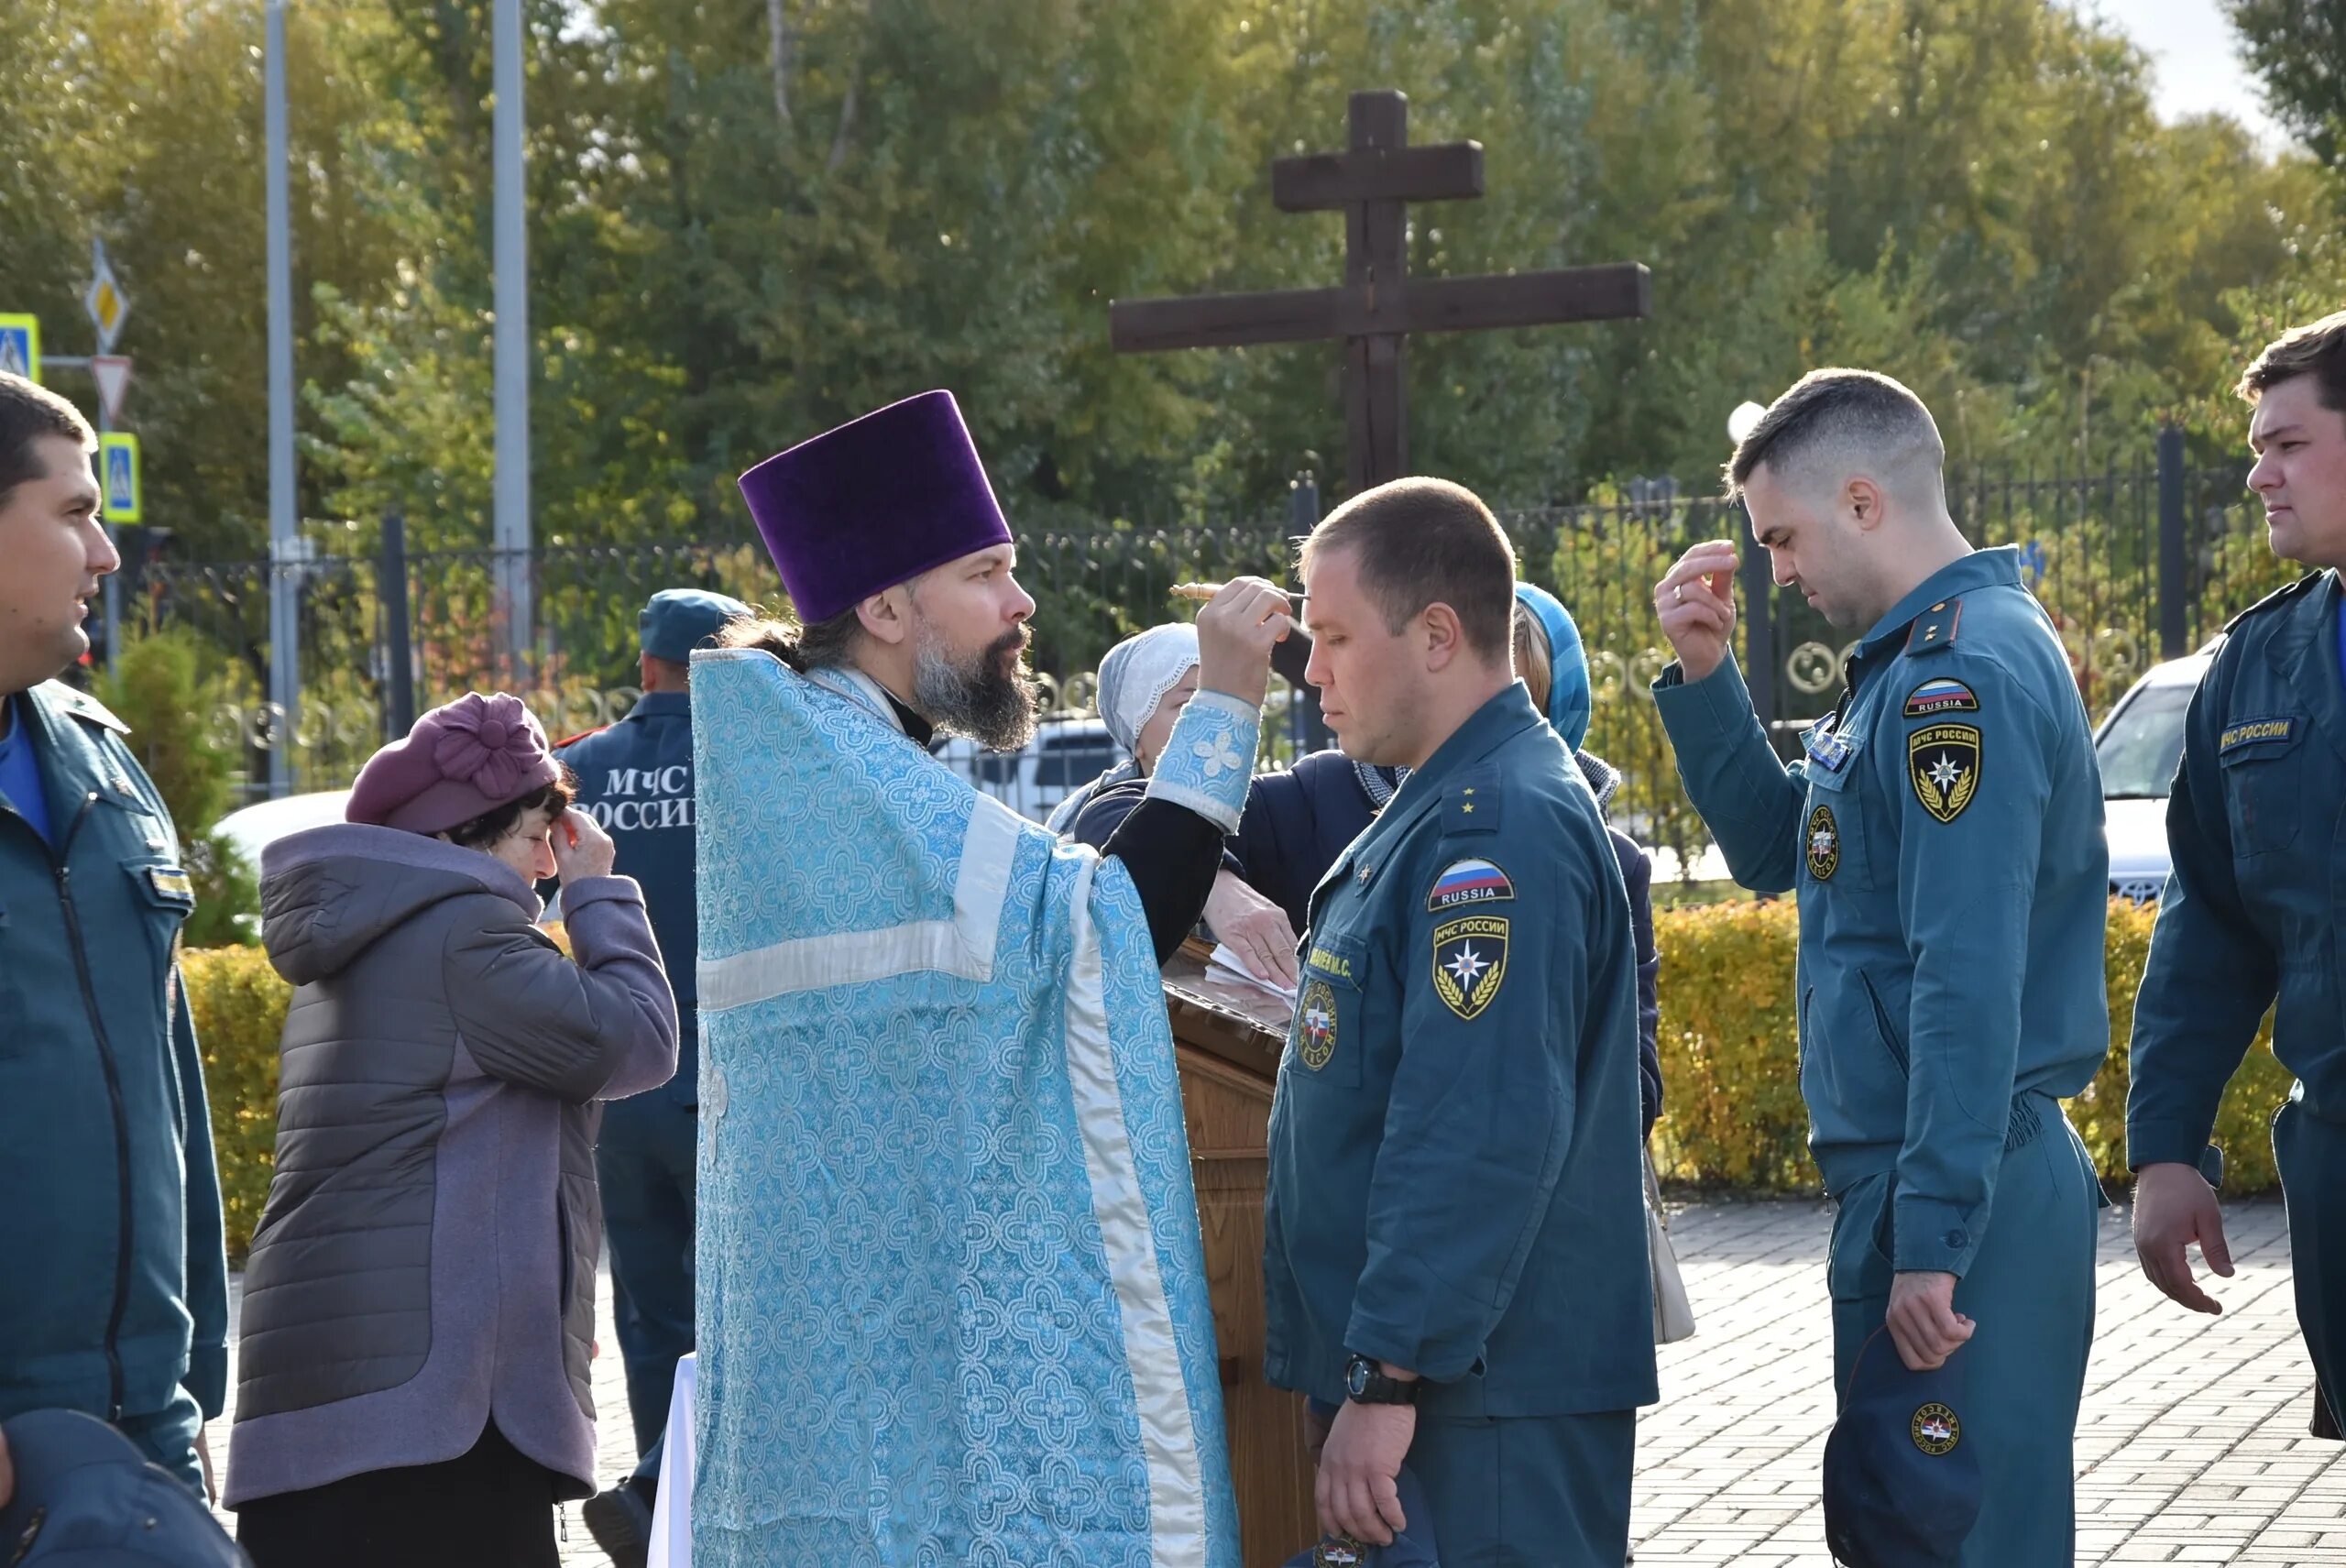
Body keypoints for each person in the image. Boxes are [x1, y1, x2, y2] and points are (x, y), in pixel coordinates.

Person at [689, 389, 1283, 1564]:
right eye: (987, 570)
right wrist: (1224, 701)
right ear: (886, 603)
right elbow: (1101, 928)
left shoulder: (828, 755)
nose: (1021, 604)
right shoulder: (854, 776)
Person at [1650, 367, 2109, 1563]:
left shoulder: (1961, 674)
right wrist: (1705, 677)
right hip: (1921, 1184)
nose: (1781, 573)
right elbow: (1783, 850)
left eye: (1784, 538)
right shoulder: (1905, 669)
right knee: (1907, 1530)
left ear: (1864, 501)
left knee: (1964, 1538)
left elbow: (1966, 970)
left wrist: (1933, 1237)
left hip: (1965, 1184)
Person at [1263, 477, 1655, 1563]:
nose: (1311, 668)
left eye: (1335, 634)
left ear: (1436, 635)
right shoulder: (1442, 804)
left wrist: (1388, 1375)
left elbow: (1475, 1127)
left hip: (1474, 1400)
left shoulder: (1496, 829)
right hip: (1449, 1386)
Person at [224, 692, 679, 1568]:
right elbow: (639, 1041)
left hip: (341, 1390)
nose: (551, 860)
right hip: (427, 1413)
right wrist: (602, 894)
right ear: (463, 835)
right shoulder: (467, 934)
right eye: (537, 833)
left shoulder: (368, 933)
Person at [0, 371, 228, 1501]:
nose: (107, 556)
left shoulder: (99, 759)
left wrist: (196, 1373)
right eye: (76, 512)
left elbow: (164, 1068)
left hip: (145, 1421)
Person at [1216, 580, 1666, 1133]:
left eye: (1514, 707)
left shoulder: (1609, 862)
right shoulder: (1326, 794)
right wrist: (1221, 886)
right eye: (1462, 699)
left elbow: (1634, 1093)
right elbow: (1122, 815)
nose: (1484, 731)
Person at [2127, 308, 2346, 1443]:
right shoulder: (2259, 664)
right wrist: (2166, 1148)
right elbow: (2209, 927)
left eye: (2289, 443)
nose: (2259, 472)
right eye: (2256, 445)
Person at [558, 588, 750, 1564]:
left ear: (646, 669)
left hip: (617, 1089)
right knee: (743, 1308)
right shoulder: (750, 759)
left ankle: (661, 1506)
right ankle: (689, 1504)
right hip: (731, 1084)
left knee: (648, 1313)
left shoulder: (578, 771)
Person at [1045, 620, 1200, 834]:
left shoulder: (1257, 799)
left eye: (1217, 700)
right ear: (1137, 736)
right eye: (1186, 704)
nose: (1210, 715)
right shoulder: (1105, 820)